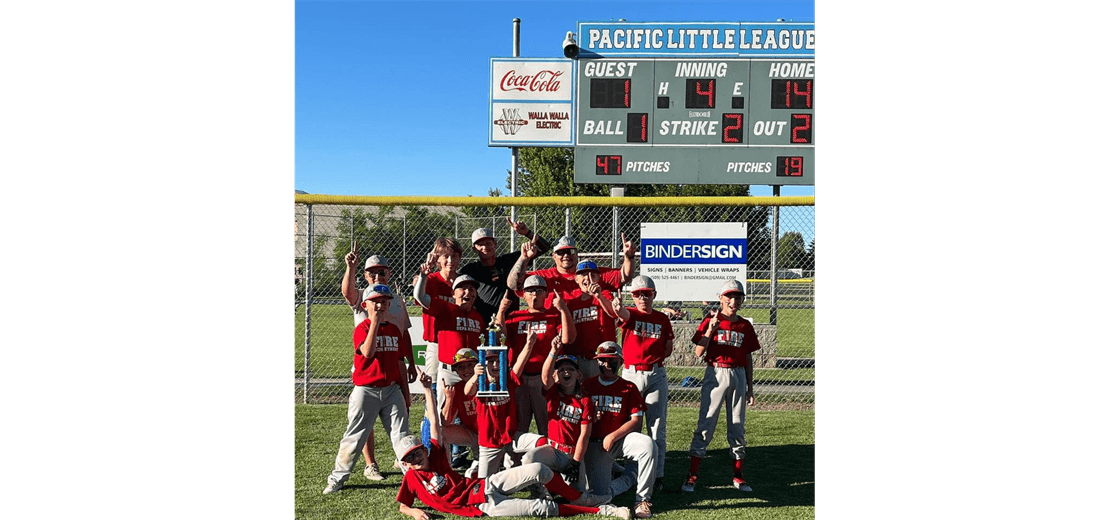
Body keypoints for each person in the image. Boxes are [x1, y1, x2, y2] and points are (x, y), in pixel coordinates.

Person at [395, 372, 626, 519]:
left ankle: (579, 497)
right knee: (542, 509)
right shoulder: (412, 479)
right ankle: (601, 510)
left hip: (483, 485)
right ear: (404, 463)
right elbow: (402, 505)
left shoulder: (434, 455)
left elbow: (435, 424)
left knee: (538, 469)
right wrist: (414, 511)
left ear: (424, 450)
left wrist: (427, 390)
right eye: (409, 458)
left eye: (417, 453)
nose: (415, 460)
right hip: (484, 507)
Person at [323, 285, 413, 494]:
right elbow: (369, 352)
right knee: (354, 437)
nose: (381, 305)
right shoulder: (362, 328)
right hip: (366, 390)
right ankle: (338, 477)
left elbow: (399, 363)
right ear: (365, 305)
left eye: (384, 301)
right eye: (375, 302)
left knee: (402, 435)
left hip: (391, 390)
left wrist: (405, 394)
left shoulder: (393, 329)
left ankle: (412, 474)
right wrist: (374, 322)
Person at [340, 250, 417, 480]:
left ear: (388, 272)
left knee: (403, 408)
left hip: (394, 362)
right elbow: (347, 292)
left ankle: (402, 456)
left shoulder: (395, 299)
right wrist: (350, 268)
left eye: (381, 271)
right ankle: (370, 463)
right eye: (371, 272)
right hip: (367, 366)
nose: (377, 276)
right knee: (364, 420)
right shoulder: (363, 295)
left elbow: (404, 332)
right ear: (365, 275)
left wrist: (412, 363)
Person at [681, 279, 762, 494]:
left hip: (738, 374)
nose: (733, 300)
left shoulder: (745, 325)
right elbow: (698, 353)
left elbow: (748, 357)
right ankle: (692, 475)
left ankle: (738, 475)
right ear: (721, 298)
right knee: (706, 424)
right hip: (715, 372)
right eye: (729, 296)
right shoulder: (711, 320)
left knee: (737, 425)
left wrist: (750, 388)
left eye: (737, 297)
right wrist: (710, 330)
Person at [602, 276, 674, 494]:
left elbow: (668, 348)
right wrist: (619, 307)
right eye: (638, 293)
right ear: (633, 297)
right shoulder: (631, 314)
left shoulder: (662, 318)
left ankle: (656, 475)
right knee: (625, 423)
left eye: (647, 293)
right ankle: (627, 469)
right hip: (632, 373)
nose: (643, 297)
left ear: (654, 295)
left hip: (655, 374)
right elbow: (622, 314)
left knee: (656, 427)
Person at [581, 342, 657, 519]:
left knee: (648, 446)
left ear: (621, 362)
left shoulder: (629, 387)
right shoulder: (587, 385)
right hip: (595, 444)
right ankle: (629, 478)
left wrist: (613, 436)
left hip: (620, 440)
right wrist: (592, 418)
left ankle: (642, 499)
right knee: (602, 496)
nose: (607, 366)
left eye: (612, 361)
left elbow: (636, 422)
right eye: (603, 361)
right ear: (597, 362)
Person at [464, 329, 545, 479]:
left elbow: (519, 365)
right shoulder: (481, 383)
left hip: (512, 437)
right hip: (489, 443)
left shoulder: (507, 380)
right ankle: (476, 468)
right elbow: (467, 390)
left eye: (498, 361)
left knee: (543, 442)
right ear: (483, 363)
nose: (494, 365)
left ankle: (537, 488)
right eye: (490, 361)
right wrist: (476, 375)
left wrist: (529, 344)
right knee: (485, 486)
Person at [502, 275, 575, 436]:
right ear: (524, 295)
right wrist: (501, 311)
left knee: (547, 425)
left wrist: (563, 309)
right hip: (519, 378)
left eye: (538, 291)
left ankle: (548, 458)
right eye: (530, 291)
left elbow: (567, 339)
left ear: (546, 294)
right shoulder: (515, 316)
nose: (534, 295)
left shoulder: (553, 316)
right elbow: (501, 338)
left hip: (544, 379)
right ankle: (518, 459)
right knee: (519, 426)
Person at [521, 341, 595, 492]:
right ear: (556, 375)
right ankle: (540, 493)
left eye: (570, 369)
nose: (565, 372)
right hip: (553, 450)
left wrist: (576, 462)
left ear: (578, 374)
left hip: (572, 454)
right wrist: (552, 353)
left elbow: (584, 435)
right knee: (529, 459)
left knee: (577, 495)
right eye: (561, 370)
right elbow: (544, 376)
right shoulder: (553, 392)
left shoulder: (585, 400)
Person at [459, 218, 551, 326]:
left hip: (511, 319)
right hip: (482, 320)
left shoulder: (509, 260)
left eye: (488, 242)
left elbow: (545, 247)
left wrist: (527, 233)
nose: (485, 247)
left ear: (495, 243)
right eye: (480, 244)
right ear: (474, 248)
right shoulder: (470, 270)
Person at [506, 234, 637, 309]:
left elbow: (623, 276)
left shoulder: (591, 273)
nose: (566, 255)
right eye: (561, 252)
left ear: (577, 253)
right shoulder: (544, 276)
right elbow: (514, 285)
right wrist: (524, 258)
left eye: (570, 251)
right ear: (554, 256)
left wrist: (629, 257)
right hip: (557, 337)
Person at [564, 261, 620, 381]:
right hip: (578, 358)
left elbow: (613, 313)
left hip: (602, 359)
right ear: (576, 279)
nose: (588, 278)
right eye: (583, 275)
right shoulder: (571, 299)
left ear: (598, 278)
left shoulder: (605, 294)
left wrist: (598, 296)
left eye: (592, 275)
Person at [441, 348, 482, 476]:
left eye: (470, 365)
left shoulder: (489, 383)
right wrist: (449, 398)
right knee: (439, 431)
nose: (466, 370)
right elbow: (445, 422)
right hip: (473, 434)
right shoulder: (457, 388)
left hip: (494, 435)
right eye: (461, 367)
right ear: (456, 371)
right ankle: (446, 471)